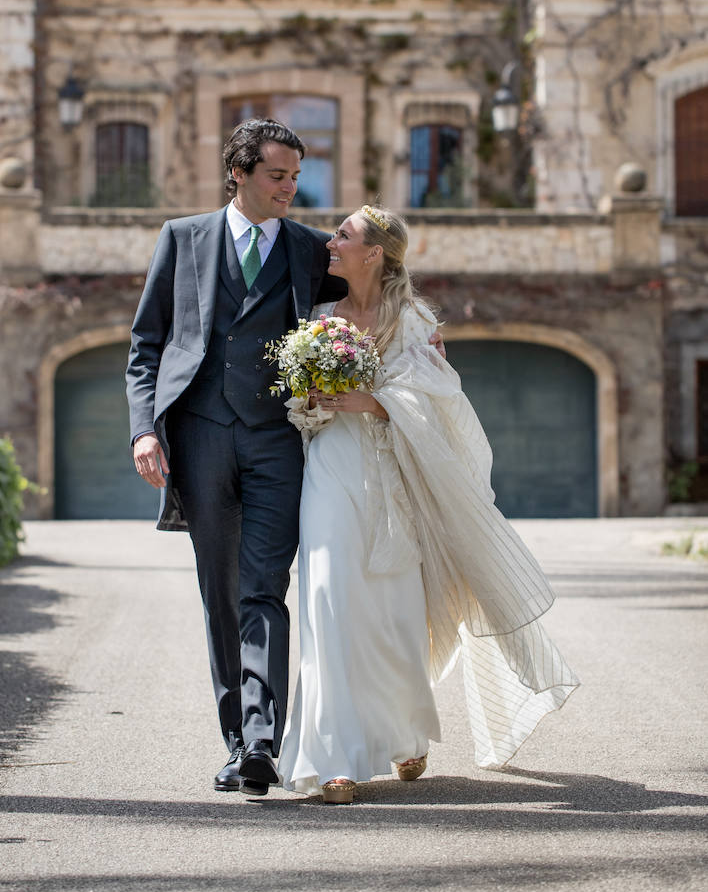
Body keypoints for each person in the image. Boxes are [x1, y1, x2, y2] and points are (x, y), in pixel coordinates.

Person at [277, 204, 579, 804]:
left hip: (399, 474)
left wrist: (378, 402)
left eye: (343, 235)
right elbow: (301, 409)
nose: (329, 242)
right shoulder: (316, 320)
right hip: (332, 466)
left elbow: (443, 401)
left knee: (393, 607)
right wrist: (311, 398)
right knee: (327, 595)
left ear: (375, 254)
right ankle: (333, 756)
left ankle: (405, 732)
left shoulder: (416, 322)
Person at [125, 118, 347, 796]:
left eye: (295, 179)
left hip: (277, 436)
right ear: (239, 173)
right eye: (277, 177)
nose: (290, 189)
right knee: (220, 591)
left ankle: (261, 741)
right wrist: (144, 429)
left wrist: (415, 340)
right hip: (198, 432)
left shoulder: (310, 248)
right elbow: (146, 344)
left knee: (263, 587)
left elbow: (376, 288)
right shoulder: (183, 238)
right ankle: (235, 739)